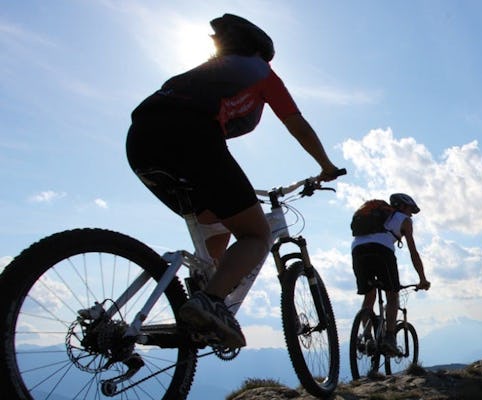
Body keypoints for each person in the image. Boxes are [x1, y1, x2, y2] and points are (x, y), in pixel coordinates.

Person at [125, 13, 341, 348]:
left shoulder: (205, 73)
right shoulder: (262, 72)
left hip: (140, 139)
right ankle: (209, 301)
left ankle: (196, 306)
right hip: (191, 136)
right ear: (259, 52)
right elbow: (297, 125)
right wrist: (326, 166)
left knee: (216, 222)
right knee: (257, 233)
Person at [351, 193, 431, 355]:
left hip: (358, 250)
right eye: (410, 210)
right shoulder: (404, 220)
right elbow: (413, 252)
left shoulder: (376, 215)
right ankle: (389, 338)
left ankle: (367, 337)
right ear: (402, 207)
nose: (410, 214)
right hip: (382, 251)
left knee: (369, 295)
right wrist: (422, 278)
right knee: (392, 295)